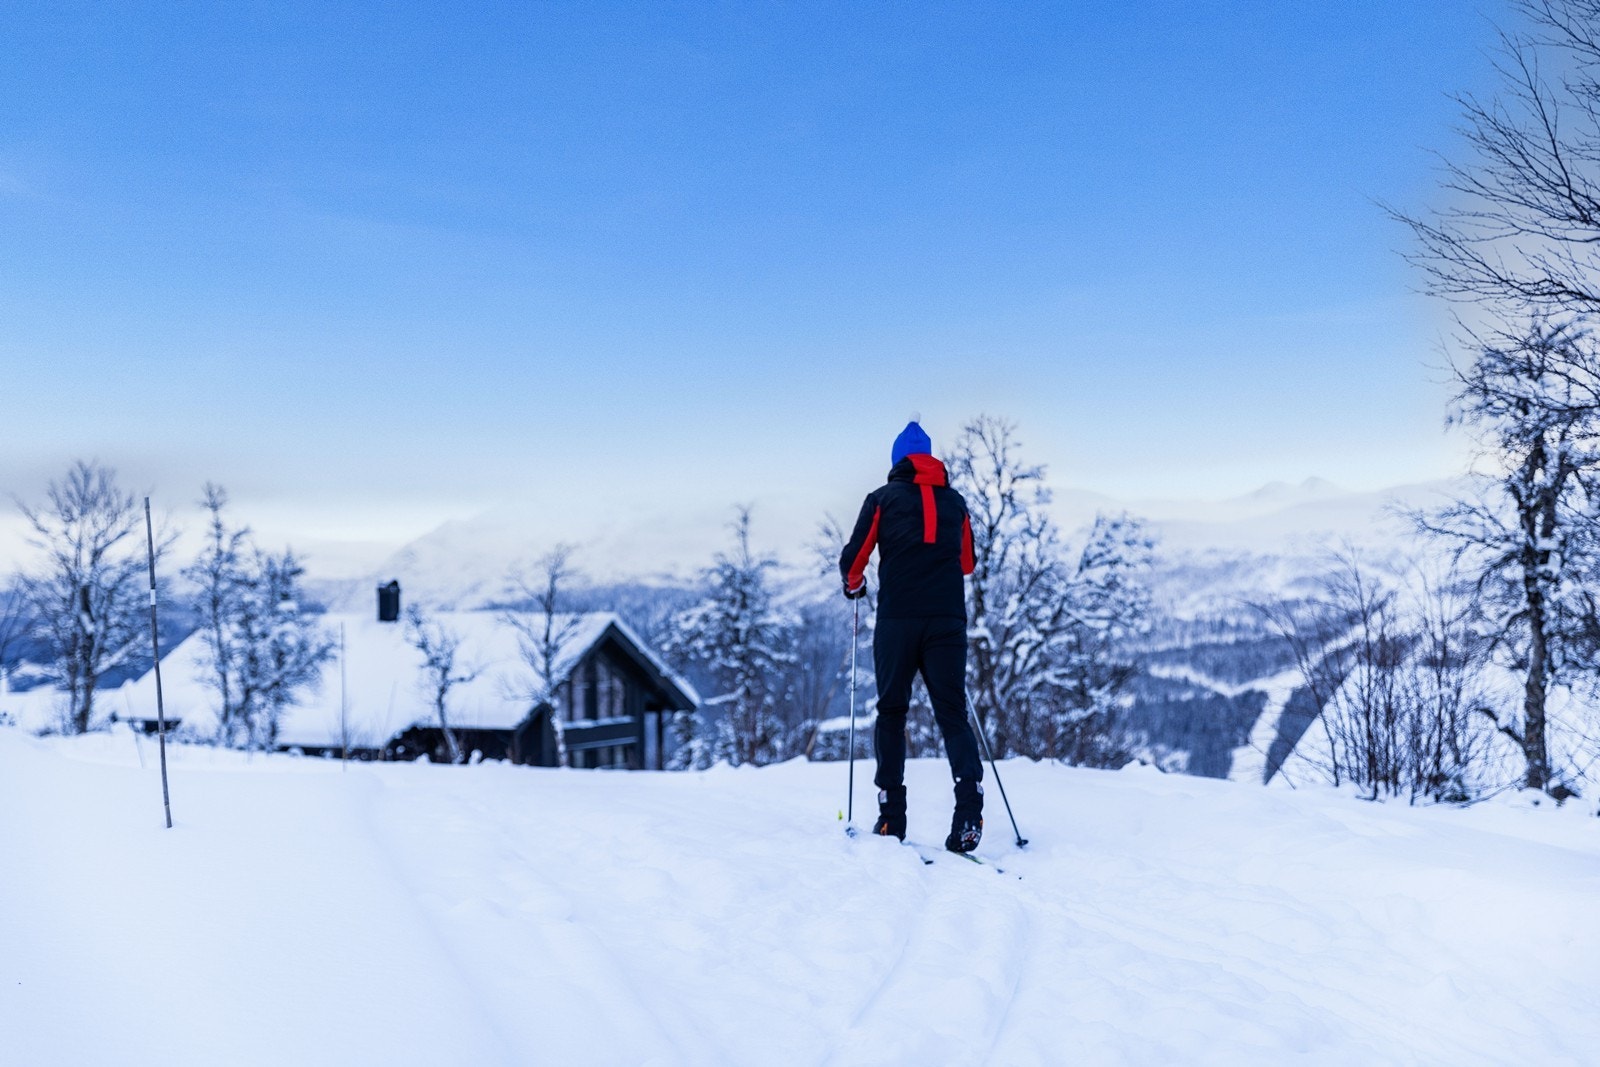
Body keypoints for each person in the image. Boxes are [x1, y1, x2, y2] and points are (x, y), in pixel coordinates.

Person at [839, 420, 984, 853]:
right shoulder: (955, 502)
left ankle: (891, 817)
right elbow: (967, 563)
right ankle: (969, 809)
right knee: (952, 714)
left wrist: (855, 586)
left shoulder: (881, 499)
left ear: (897, 461)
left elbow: (853, 561)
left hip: (898, 620)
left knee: (892, 712)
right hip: (947, 620)